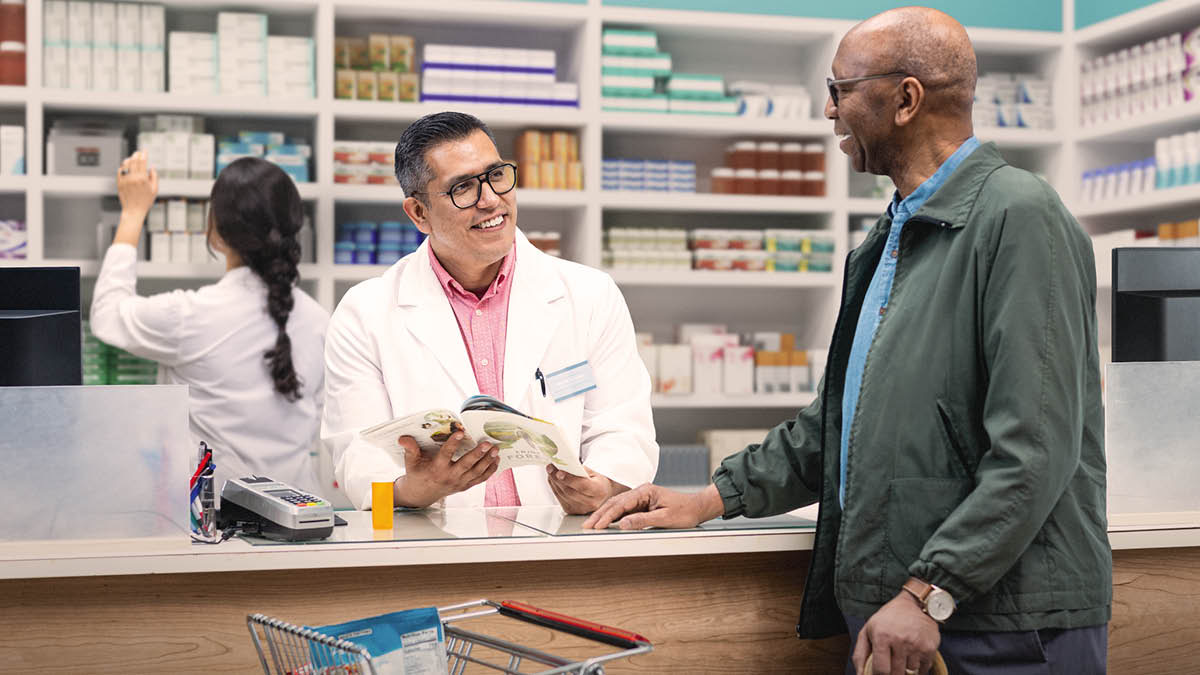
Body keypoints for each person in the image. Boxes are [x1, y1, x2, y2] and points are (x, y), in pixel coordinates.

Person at [585, 7, 1109, 675]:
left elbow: (1036, 449)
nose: (829, 112)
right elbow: (838, 426)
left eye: (840, 90)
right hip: (902, 622)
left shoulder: (1019, 217)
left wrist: (931, 591)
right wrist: (708, 498)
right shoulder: (890, 237)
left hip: (1002, 626)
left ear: (905, 99)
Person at [322, 111, 657, 513]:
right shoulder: (365, 314)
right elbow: (356, 455)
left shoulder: (590, 295)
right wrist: (415, 490)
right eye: (463, 188)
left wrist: (603, 485)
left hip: (564, 546)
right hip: (431, 554)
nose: (490, 200)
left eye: (496, 175)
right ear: (419, 213)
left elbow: (624, 426)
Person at [91, 152, 329, 498]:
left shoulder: (189, 316)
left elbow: (107, 313)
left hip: (217, 522)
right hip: (300, 517)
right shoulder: (320, 321)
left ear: (215, 231)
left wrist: (132, 212)